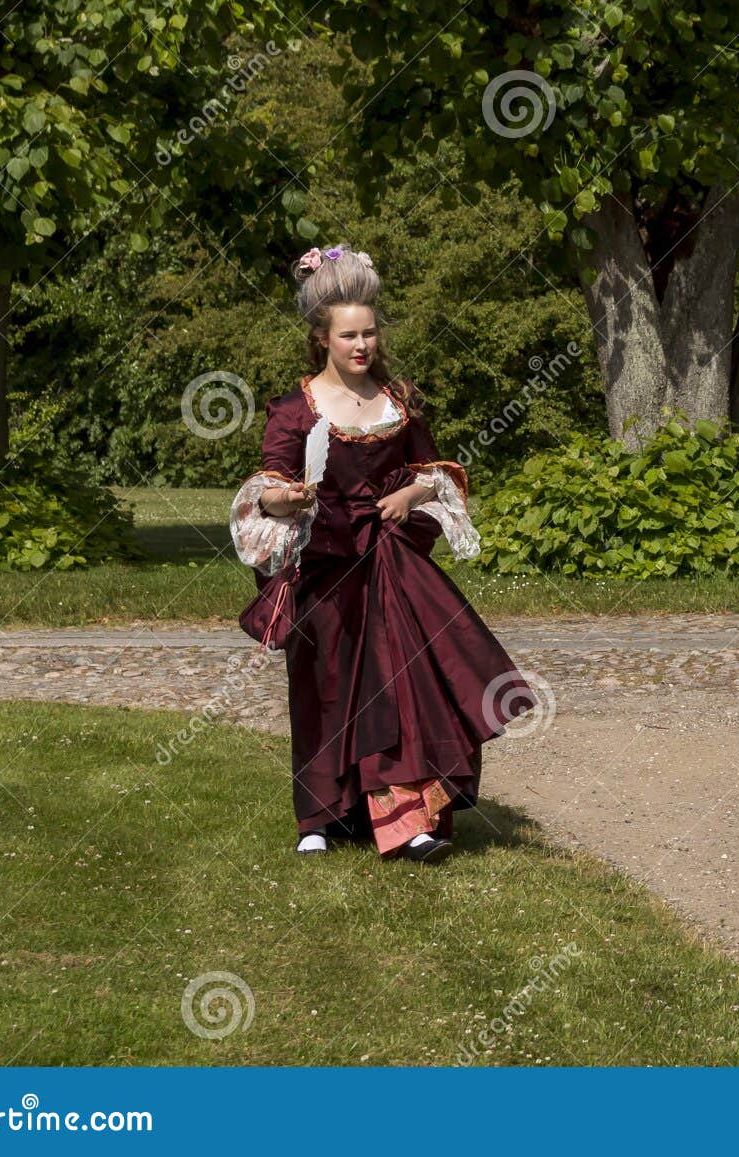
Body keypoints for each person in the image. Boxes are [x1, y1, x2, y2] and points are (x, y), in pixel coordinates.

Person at [230, 243, 531, 860]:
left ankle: (412, 821)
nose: (361, 346)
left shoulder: (401, 400)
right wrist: (288, 501)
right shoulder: (294, 411)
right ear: (321, 338)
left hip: (393, 569)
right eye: (348, 336)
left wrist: (415, 491)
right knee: (326, 689)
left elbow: (434, 471)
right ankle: (319, 817)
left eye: (369, 333)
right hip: (326, 573)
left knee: (406, 687)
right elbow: (268, 488)